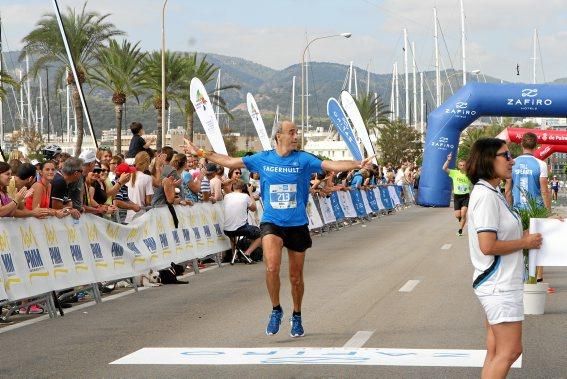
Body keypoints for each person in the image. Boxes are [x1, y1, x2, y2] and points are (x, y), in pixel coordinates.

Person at [183, 120, 373, 338]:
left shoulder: (303, 159)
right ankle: (276, 309)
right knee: (271, 267)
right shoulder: (262, 158)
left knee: (296, 277)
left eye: (296, 132)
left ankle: (297, 314)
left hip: (297, 224)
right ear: (278, 136)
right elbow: (228, 160)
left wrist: (358, 163)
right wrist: (199, 151)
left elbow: (331, 165)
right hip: (272, 222)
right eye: (291, 132)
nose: (296, 136)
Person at [466, 138, 543, 379]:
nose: (512, 161)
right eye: (506, 156)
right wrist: (524, 243)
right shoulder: (486, 196)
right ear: (489, 160)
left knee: (496, 350)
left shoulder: (492, 191)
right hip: (498, 284)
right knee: (510, 351)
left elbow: (502, 234)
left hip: (498, 282)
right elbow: (488, 245)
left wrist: (529, 235)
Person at [504, 132, 551, 288]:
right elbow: (544, 191)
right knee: (538, 242)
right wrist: (547, 212)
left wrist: (508, 209)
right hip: (536, 210)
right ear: (536, 146)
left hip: (518, 210)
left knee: (520, 243)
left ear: (521, 145)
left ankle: (521, 277)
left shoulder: (513, 163)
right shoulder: (541, 164)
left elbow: (508, 190)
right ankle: (538, 279)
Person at [223, 180, 262, 260]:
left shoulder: (226, 196)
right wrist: (250, 192)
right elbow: (254, 208)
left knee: (233, 233)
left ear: (232, 187)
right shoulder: (245, 196)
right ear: (243, 188)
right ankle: (247, 253)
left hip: (227, 230)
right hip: (240, 229)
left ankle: (235, 255)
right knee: (261, 234)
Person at [443, 152, 472, 236]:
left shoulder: (469, 174)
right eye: (461, 165)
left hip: (465, 196)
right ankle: (462, 220)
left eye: (464, 165)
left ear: (466, 166)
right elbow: (444, 168)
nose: (462, 166)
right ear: (458, 166)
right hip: (457, 196)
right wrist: (448, 160)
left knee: (463, 213)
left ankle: (460, 230)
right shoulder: (454, 173)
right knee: (457, 215)